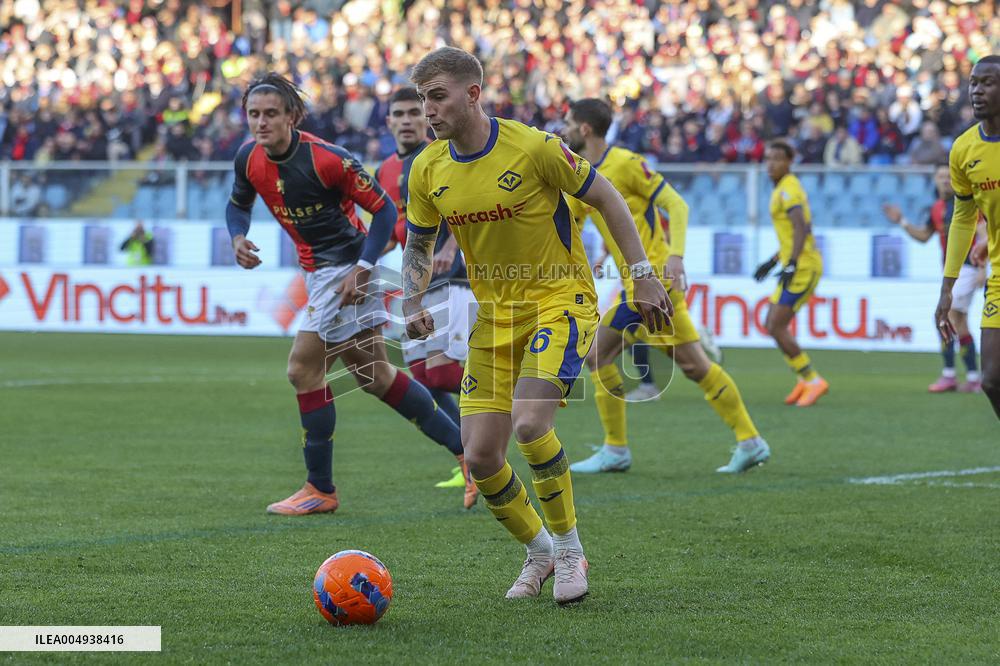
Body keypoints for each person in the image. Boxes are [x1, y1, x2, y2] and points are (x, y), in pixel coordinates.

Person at [401, 47, 670, 604]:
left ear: (473, 94)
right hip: (493, 315)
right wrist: (411, 300)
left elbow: (608, 197)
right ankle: (540, 551)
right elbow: (419, 241)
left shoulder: (534, 147)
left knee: (529, 424)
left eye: (438, 96)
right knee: (479, 456)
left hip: (559, 300)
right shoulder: (428, 168)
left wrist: (642, 274)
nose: (428, 109)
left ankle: (571, 549)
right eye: (422, 98)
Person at [225, 73, 474, 515]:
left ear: (293, 116)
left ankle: (320, 487)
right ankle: (468, 455)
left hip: (343, 272)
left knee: (302, 370)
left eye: (270, 114)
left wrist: (361, 269)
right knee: (375, 376)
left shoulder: (328, 159)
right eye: (253, 114)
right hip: (321, 271)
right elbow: (238, 202)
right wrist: (238, 236)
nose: (260, 123)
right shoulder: (248, 158)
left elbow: (382, 211)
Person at [562, 98, 769, 475]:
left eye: (568, 123)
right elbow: (576, 227)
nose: (564, 130)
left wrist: (676, 256)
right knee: (694, 366)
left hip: (654, 282)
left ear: (585, 129)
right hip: (636, 285)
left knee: (599, 355)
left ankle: (616, 449)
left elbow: (677, 205)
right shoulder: (581, 174)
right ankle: (749, 440)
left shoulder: (624, 164)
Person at [375, 86, 478, 493]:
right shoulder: (385, 170)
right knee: (423, 377)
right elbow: (398, 228)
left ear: (425, 118)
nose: (405, 121)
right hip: (416, 280)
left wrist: (451, 245)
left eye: (412, 114)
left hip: (451, 275)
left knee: (441, 370)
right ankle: (470, 455)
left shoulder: (439, 156)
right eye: (397, 114)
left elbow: (463, 206)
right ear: (388, 122)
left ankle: (508, 397)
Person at [883, 164, 987, 392]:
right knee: (959, 322)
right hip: (952, 273)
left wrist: (982, 269)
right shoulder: (937, 208)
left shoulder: (966, 202)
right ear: (934, 180)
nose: (945, 180)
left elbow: (982, 233)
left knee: (943, 317)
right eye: (941, 176)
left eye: (949, 176)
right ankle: (972, 378)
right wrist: (902, 221)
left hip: (968, 267)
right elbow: (923, 236)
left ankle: (950, 375)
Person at [935, 55, 1000, 419]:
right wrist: (947, 286)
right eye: (973, 82)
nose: (977, 90)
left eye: (987, 83)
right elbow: (963, 217)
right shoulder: (963, 149)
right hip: (998, 274)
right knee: (992, 380)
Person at [754, 140, 829, 407]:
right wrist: (773, 262)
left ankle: (812, 379)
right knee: (772, 324)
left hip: (804, 266)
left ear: (789, 162)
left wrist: (792, 263)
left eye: (777, 159)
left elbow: (801, 228)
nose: (771, 164)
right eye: (768, 158)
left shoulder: (789, 190)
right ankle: (804, 378)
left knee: (776, 325)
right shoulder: (782, 190)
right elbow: (789, 235)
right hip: (794, 263)